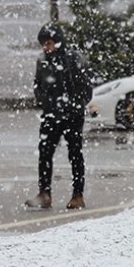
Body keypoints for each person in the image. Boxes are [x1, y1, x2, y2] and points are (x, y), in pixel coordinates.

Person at [25, 23, 93, 210]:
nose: (46, 47)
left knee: (75, 154)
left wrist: (73, 106)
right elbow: (38, 84)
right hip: (51, 115)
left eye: (49, 43)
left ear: (58, 41)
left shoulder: (73, 59)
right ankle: (44, 192)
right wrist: (44, 102)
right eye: (44, 44)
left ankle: (78, 194)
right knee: (45, 153)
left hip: (72, 116)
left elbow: (86, 87)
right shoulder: (43, 61)